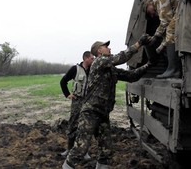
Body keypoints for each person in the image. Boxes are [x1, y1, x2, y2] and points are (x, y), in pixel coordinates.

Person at [62, 35, 151, 169]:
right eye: (106, 46)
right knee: (81, 147)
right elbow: (121, 57)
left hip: (103, 113)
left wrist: (149, 65)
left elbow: (131, 76)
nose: (109, 48)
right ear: (99, 51)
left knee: (106, 148)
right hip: (91, 112)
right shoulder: (99, 62)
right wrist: (139, 44)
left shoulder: (110, 68)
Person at [59, 51, 95, 159]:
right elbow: (63, 81)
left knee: (86, 127)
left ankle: (85, 151)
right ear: (85, 58)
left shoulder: (93, 70)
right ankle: (69, 149)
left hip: (88, 102)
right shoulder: (75, 69)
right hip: (77, 101)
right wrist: (67, 94)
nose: (93, 60)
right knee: (73, 124)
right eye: (91, 58)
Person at [141, 0, 182, 79]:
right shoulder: (160, 0)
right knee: (170, 30)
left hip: (187, 5)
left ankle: (173, 70)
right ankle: (173, 69)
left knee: (171, 29)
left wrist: (156, 36)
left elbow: (166, 21)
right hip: (183, 6)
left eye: (148, 12)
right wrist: (160, 48)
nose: (151, 15)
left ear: (149, 4)